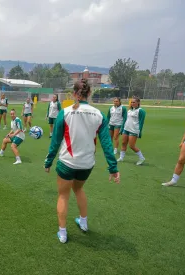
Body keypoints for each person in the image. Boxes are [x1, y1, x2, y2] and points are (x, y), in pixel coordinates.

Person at [44, 79, 120, 244]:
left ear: (73, 94)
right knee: (78, 190)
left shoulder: (65, 112)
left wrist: (48, 161)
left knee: (63, 195)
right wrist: (113, 168)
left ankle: (63, 233)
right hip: (87, 164)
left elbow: (55, 141)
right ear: (89, 93)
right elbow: (107, 144)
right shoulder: (98, 114)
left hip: (67, 163)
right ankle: (83, 222)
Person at [118, 96, 146, 165]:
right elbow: (126, 120)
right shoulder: (130, 110)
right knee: (123, 143)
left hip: (134, 130)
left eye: (134, 102)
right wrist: (122, 128)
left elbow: (141, 122)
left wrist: (139, 132)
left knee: (131, 146)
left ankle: (142, 158)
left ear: (138, 103)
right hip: (126, 129)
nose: (132, 103)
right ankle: (121, 157)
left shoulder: (141, 111)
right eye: (131, 102)